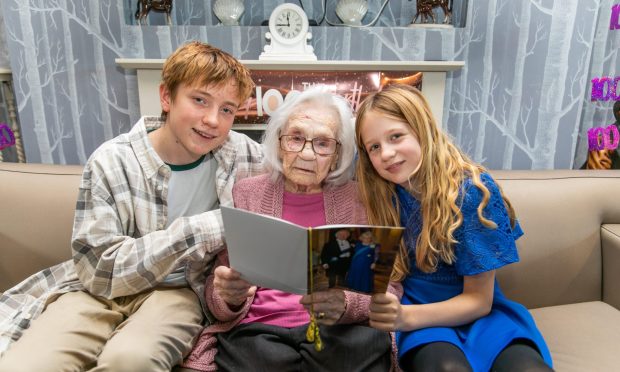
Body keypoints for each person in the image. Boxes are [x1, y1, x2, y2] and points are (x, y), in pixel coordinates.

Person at [0, 41, 264, 371]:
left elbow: (299, 179)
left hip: (178, 292)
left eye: (227, 109)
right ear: (167, 97)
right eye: (199, 100)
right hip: (95, 292)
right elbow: (99, 271)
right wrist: (207, 227)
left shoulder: (245, 156)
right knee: (30, 364)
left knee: (132, 360)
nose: (212, 120)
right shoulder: (111, 161)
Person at [180, 87, 396, 372]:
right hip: (261, 329)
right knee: (256, 356)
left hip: (339, 330)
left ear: (336, 154)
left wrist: (346, 304)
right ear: (279, 143)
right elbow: (218, 290)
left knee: (365, 345)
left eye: (322, 143)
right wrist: (228, 296)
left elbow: (389, 285)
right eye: (295, 138)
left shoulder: (360, 200)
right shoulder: (247, 193)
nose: (306, 153)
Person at [354, 84, 554, 372]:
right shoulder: (380, 198)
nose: (386, 153)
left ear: (423, 130)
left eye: (396, 136)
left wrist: (403, 317)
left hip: (480, 315)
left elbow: (479, 301)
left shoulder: (473, 193)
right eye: (374, 147)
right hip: (421, 319)